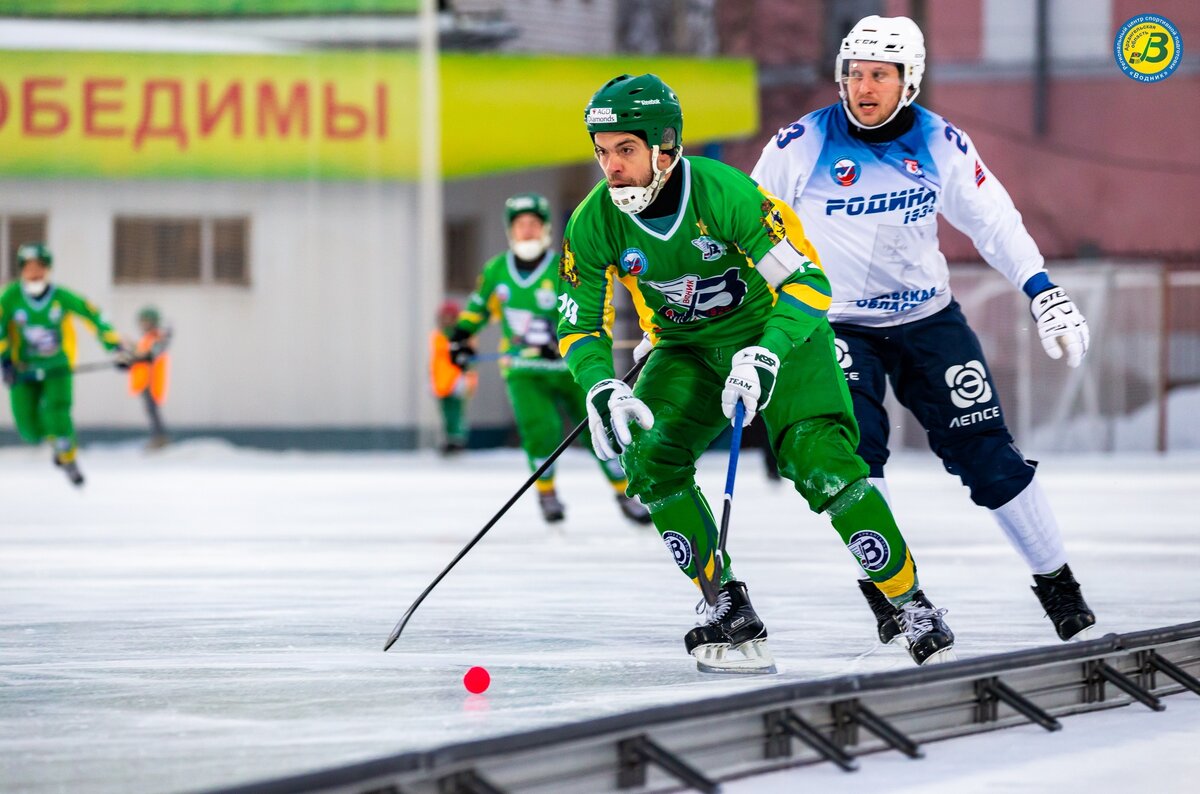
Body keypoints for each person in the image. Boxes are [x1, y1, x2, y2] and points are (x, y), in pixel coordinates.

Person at [558, 73, 956, 671]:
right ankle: (724, 604)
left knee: (820, 464)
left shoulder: (726, 195)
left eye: (625, 150)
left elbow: (807, 282)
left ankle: (909, 602)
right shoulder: (594, 223)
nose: (610, 166)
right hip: (686, 348)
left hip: (780, 337)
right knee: (647, 452)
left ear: (665, 147)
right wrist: (602, 387)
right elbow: (579, 325)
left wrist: (764, 353)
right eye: (602, 151)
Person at [751, 15, 1095, 646]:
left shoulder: (941, 142)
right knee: (854, 459)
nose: (863, 87)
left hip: (928, 319)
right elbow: (747, 232)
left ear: (909, 81)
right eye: (854, 73)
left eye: (879, 74)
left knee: (989, 457)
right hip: (836, 326)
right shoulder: (799, 144)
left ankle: (1058, 582)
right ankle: (890, 590)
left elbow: (994, 222)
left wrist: (1042, 292)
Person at [449, 193, 652, 527]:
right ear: (511, 231)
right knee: (540, 430)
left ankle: (624, 492)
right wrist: (459, 339)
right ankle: (547, 493)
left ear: (544, 229)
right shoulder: (497, 269)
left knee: (600, 429)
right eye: (520, 225)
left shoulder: (563, 265)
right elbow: (477, 309)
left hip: (568, 368)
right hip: (523, 371)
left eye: (533, 224)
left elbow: (580, 309)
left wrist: (557, 340)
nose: (527, 231)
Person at [0, 242, 130, 486]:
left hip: (56, 367)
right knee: (28, 429)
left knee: (57, 412)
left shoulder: (61, 297)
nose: (34, 273)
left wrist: (116, 346)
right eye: (28, 268)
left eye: (39, 267)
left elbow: (93, 316)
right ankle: (53, 438)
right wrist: (5, 360)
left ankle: (67, 454)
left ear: (48, 269)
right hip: (23, 370)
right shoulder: (10, 297)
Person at [430, 299, 476, 454]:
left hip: (457, 379)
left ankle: (457, 439)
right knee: (446, 412)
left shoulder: (460, 335)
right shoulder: (437, 335)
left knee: (457, 411)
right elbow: (435, 359)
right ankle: (449, 438)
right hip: (441, 380)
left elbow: (471, 357)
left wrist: (466, 375)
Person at [128, 305, 171, 450]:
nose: (143, 325)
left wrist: (138, 356)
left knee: (153, 411)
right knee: (150, 411)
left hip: (152, 382)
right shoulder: (147, 339)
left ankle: (159, 438)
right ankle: (157, 437)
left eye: (145, 321)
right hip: (144, 382)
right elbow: (140, 355)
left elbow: (152, 354)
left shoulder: (157, 338)